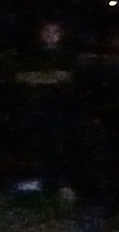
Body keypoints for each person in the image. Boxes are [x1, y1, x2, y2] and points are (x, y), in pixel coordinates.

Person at [8, 19, 80, 199]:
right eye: (46, 31)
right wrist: (46, 77)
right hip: (34, 108)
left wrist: (42, 78)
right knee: (35, 144)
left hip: (60, 109)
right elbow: (20, 77)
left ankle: (63, 183)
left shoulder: (68, 55)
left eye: (54, 31)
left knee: (60, 145)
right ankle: (37, 180)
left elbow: (64, 77)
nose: (50, 35)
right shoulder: (30, 54)